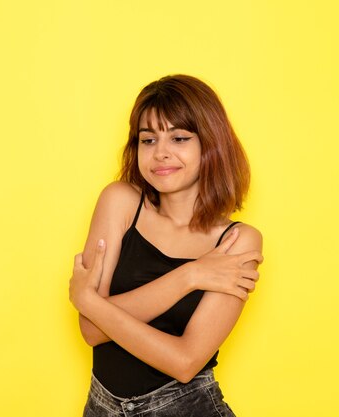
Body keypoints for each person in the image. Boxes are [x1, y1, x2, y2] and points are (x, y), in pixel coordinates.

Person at [69, 74, 264, 416]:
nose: (161, 153)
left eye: (179, 138)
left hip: (186, 407)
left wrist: (90, 301)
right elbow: (90, 330)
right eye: (148, 140)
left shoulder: (237, 241)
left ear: (211, 144)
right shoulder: (119, 202)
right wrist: (190, 276)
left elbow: (185, 361)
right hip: (101, 406)